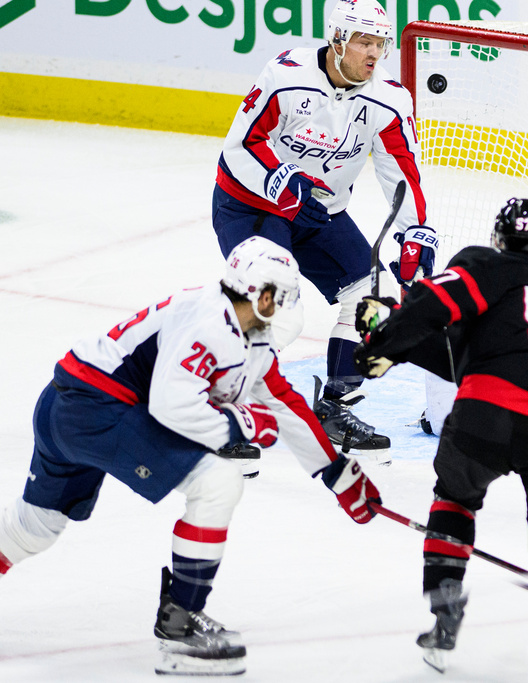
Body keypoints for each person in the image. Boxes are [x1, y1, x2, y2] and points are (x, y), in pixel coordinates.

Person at [0, 236, 382, 676]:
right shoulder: (208, 322)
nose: (281, 308)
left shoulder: (243, 331)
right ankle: (181, 625)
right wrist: (241, 423)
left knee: (37, 525)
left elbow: (282, 400)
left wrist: (335, 472)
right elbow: (171, 405)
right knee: (217, 482)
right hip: (95, 412)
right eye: (280, 297)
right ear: (260, 294)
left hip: (66, 406)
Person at [352, 199, 528, 673]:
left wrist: (381, 342)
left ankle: (444, 611)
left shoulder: (486, 264)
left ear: (498, 238)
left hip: (489, 415)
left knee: (455, 498)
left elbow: (433, 307)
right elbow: (482, 357)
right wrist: (399, 345)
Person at [211, 0, 436, 455]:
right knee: (279, 310)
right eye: (363, 42)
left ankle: (333, 408)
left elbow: (403, 174)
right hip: (251, 207)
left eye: (381, 44)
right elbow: (241, 146)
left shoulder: (389, 100)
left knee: (378, 299)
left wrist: (416, 234)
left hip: (320, 214)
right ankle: (218, 409)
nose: (374, 54)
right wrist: (285, 182)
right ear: (336, 40)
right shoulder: (285, 75)